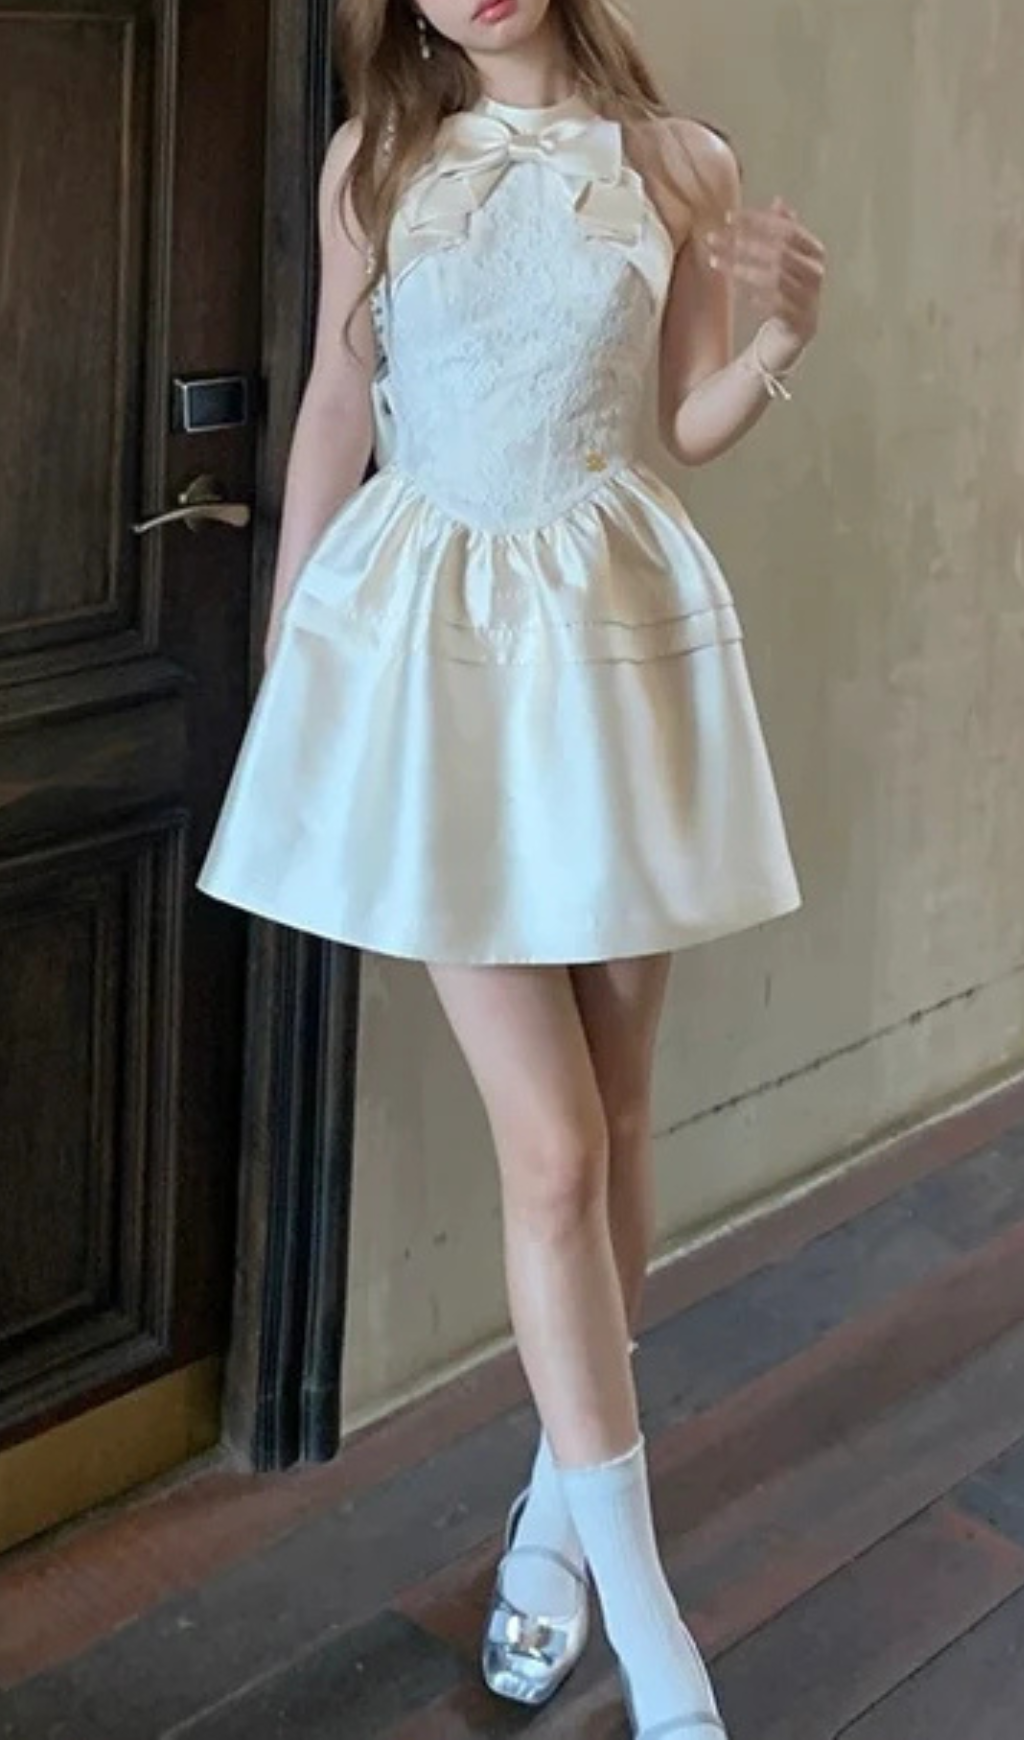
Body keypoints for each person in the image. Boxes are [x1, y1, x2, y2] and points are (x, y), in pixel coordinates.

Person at [197, 0, 826, 1732]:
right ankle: (654, 1630)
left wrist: (781, 336)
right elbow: (341, 399)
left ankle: (556, 1520)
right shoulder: (377, 158)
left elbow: (685, 420)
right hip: (434, 653)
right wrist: (294, 657)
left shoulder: (681, 161)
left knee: (616, 1115)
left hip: (617, 646)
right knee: (550, 1149)